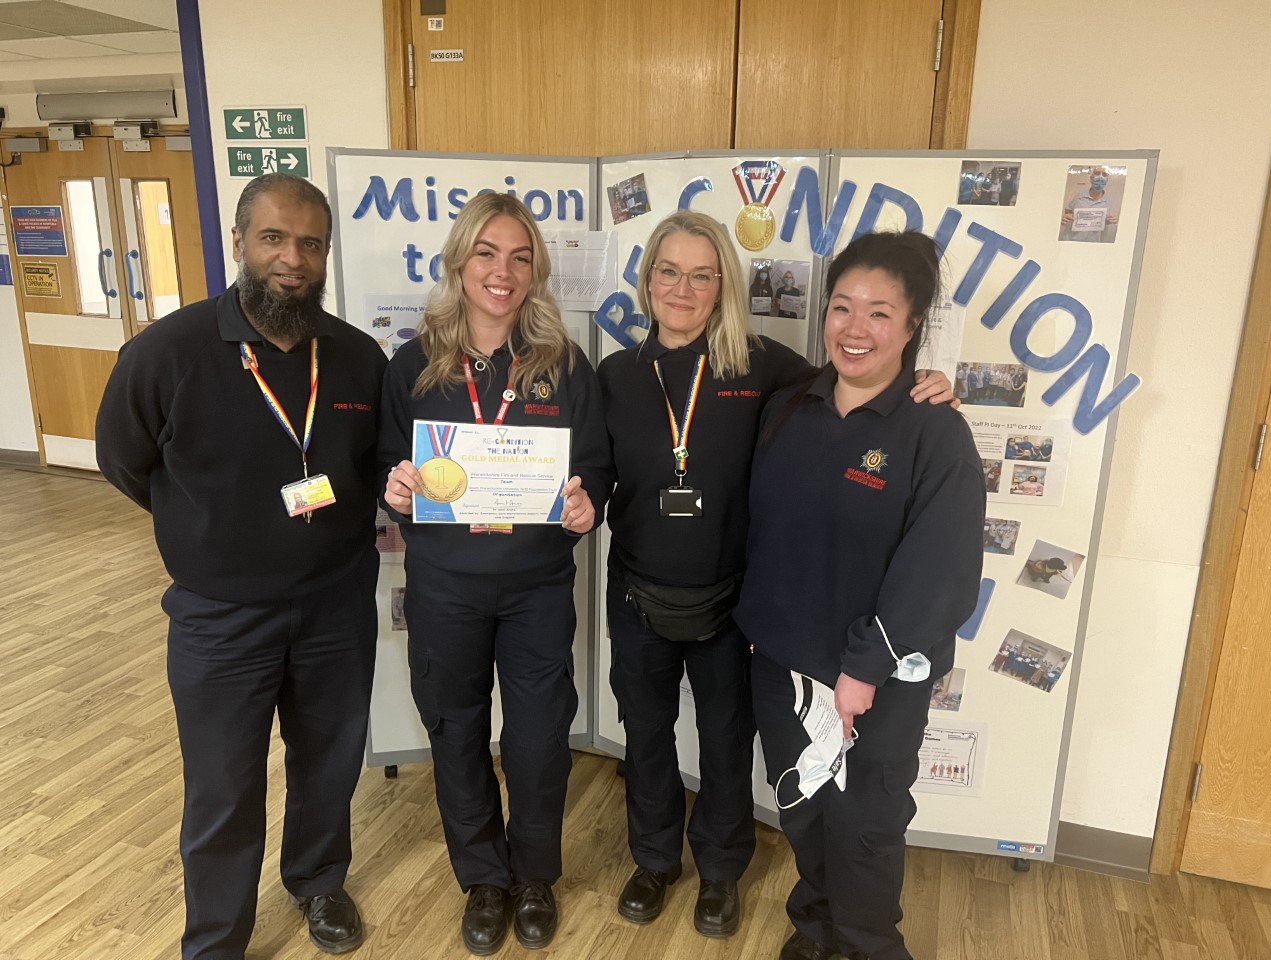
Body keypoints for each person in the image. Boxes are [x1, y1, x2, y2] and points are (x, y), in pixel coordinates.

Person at [597, 211, 956, 943]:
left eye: (703, 274)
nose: (684, 287)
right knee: (646, 734)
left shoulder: (768, 371)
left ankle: (723, 871)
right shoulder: (615, 376)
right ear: (648, 278)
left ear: (724, 284)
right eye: (669, 270)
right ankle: (655, 860)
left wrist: (927, 381)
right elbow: (595, 469)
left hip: (732, 604)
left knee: (726, 739)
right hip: (644, 594)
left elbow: (861, 380)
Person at [95, 174, 386, 959]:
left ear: (326, 253)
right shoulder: (166, 352)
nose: (292, 258)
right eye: (273, 239)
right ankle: (218, 937)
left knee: (329, 762)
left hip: (335, 607)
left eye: (310, 243)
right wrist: (208, 535)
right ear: (239, 242)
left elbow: (377, 469)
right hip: (220, 618)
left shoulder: (357, 359)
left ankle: (319, 883)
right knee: (224, 788)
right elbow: (124, 463)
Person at [736, 230, 985, 960]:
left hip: (874, 679)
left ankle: (868, 945)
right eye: (842, 307)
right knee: (803, 805)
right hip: (782, 663)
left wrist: (862, 671)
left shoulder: (934, 432)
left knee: (866, 824)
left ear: (912, 328)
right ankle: (817, 928)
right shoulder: (787, 408)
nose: (855, 328)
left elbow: (939, 569)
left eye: (880, 313)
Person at [379, 192, 611, 956]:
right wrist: (399, 490)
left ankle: (535, 875)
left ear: (535, 271)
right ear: (459, 261)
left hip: (537, 586)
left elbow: (597, 468)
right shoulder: (413, 364)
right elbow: (392, 465)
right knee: (456, 730)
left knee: (541, 738)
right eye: (487, 253)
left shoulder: (564, 364)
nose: (502, 273)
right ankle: (483, 878)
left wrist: (587, 506)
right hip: (445, 584)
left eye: (519, 257)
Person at [1060, 165, 1120, 242]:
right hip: (1072, 240)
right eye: (1097, 173)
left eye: (1104, 174)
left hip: (1093, 243)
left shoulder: (1109, 201)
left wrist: (1111, 221)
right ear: (1091, 178)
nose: (1100, 177)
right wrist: (1065, 218)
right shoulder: (1079, 197)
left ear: (1107, 179)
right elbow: (1068, 212)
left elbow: (1108, 221)